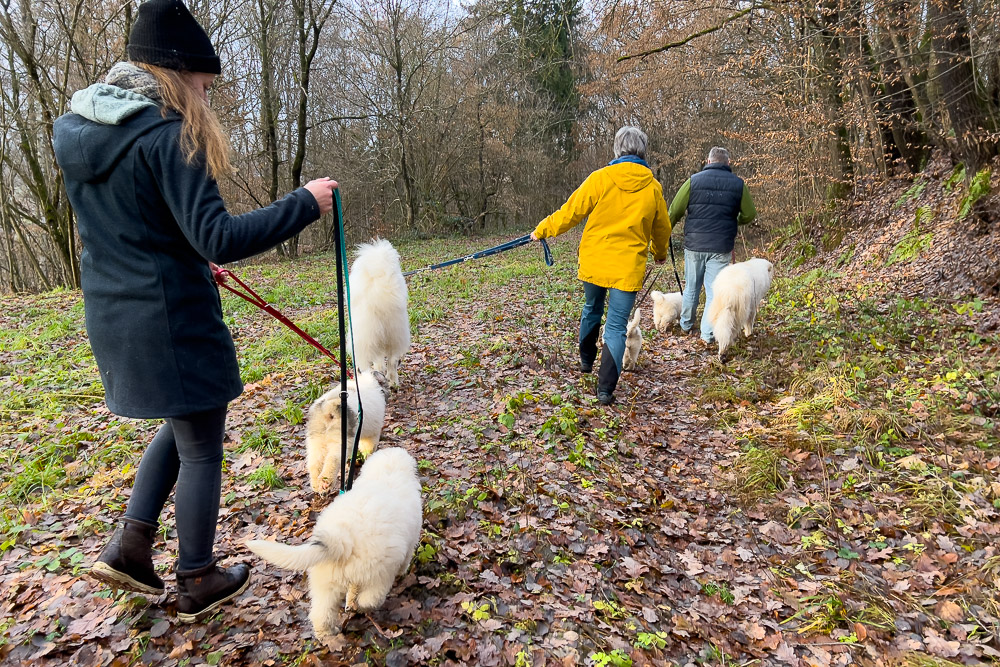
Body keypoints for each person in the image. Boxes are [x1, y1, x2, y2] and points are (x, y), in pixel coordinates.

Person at [52, 0, 338, 622]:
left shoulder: (80, 133)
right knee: (204, 443)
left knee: (183, 424)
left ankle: (130, 546)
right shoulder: (167, 134)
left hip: (114, 314)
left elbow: (141, 224)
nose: (207, 97)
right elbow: (219, 235)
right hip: (171, 320)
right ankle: (197, 575)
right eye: (204, 84)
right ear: (177, 73)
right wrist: (304, 203)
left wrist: (186, 256)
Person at [530, 126, 671, 406]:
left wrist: (544, 229)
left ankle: (585, 361)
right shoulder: (653, 187)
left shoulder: (600, 178)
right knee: (617, 326)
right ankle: (605, 389)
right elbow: (662, 227)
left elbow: (571, 211)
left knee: (591, 308)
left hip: (596, 259)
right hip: (627, 266)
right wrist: (659, 252)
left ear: (617, 150)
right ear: (643, 151)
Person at [667, 147, 756, 345]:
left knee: (691, 288)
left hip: (694, 244)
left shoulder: (693, 181)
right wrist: (733, 220)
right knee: (714, 292)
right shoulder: (738, 185)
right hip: (721, 246)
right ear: (729, 163)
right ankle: (707, 334)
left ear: (708, 161)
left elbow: (674, 211)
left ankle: (686, 325)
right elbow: (750, 214)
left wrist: (666, 234)